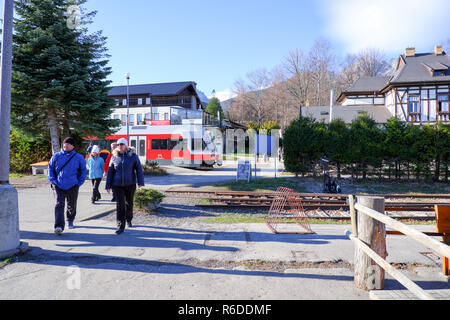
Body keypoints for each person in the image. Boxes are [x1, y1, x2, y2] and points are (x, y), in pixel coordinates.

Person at [48, 137, 87, 235]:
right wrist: (52, 180)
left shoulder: (78, 157)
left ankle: (70, 219)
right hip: (58, 185)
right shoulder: (56, 156)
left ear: (73, 146)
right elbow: (50, 168)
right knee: (59, 204)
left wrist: (79, 182)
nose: (66, 145)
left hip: (73, 185)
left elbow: (83, 170)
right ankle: (59, 226)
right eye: (65, 144)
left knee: (71, 204)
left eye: (69, 144)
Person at [105, 138, 145, 235]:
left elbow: (139, 169)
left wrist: (140, 182)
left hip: (130, 184)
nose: (119, 146)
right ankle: (120, 226)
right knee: (120, 205)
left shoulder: (133, 156)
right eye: (118, 144)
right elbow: (110, 171)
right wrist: (108, 185)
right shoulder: (114, 157)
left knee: (129, 203)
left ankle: (129, 219)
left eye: (122, 144)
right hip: (117, 185)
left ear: (126, 145)